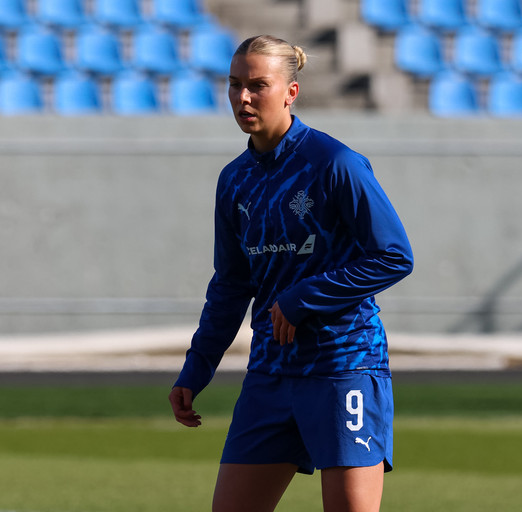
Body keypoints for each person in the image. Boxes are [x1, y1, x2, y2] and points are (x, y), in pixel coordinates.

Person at [169, 34, 413, 512]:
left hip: (342, 366)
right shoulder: (234, 179)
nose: (243, 97)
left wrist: (304, 297)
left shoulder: (336, 164)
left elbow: (393, 256)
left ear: (290, 92)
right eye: (235, 84)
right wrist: (196, 368)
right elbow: (231, 285)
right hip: (270, 370)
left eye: (258, 85)